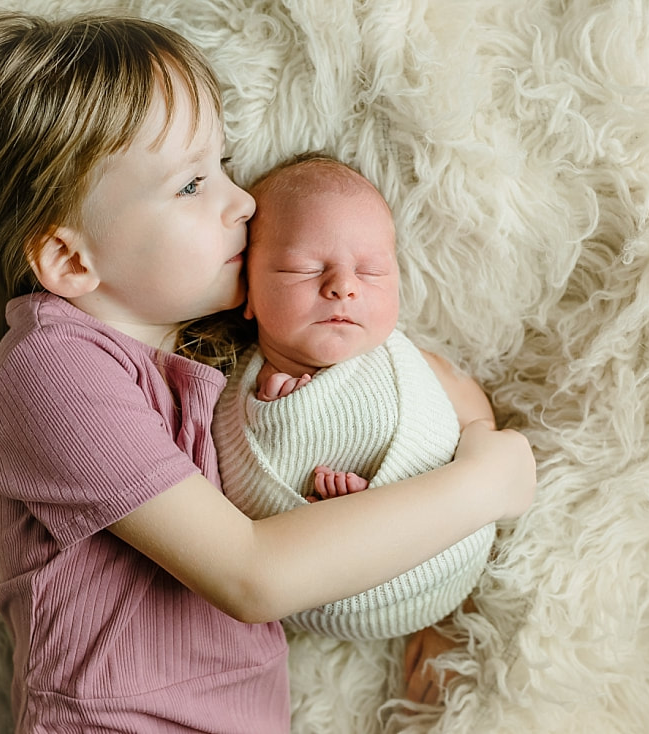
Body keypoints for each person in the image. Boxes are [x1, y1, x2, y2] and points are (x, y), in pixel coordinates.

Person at [0, 10, 536, 732]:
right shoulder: (51, 368)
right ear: (70, 260)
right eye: (191, 184)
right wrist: (480, 488)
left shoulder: (216, 361)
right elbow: (254, 574)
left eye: (223, 164)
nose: (242, 199)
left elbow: (405, 382)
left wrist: (433, 585)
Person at [213, 154, 499, 695]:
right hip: (312, 597)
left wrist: (388, 502)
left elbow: (472, 414)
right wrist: (279, 423)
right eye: (304, 268)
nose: (344, 286)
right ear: (247, 290)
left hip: (450, 554)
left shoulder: (405, 359)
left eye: (371, 271)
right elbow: (232, 506)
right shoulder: (225, 396)